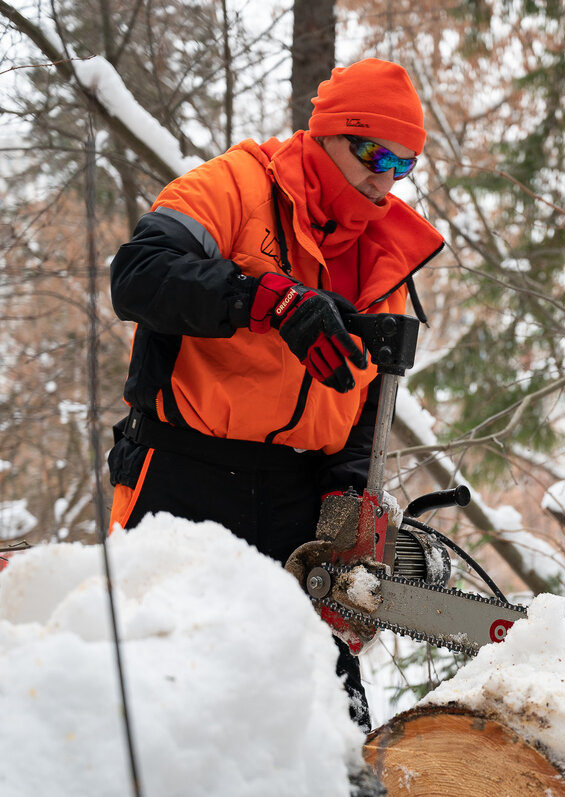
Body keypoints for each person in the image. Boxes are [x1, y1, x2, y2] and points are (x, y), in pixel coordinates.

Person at [106, 58, 444, 730]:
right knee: (159, 708)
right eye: (374, 152)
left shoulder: (383, 252)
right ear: (328, 133)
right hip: (183, 479)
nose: (385, 177)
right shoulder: (237, 184)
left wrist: (349, 492)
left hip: (297, 499)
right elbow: (138, 274)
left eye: (402, 163)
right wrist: (260, 297)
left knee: (326, 723)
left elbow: (367, 401)